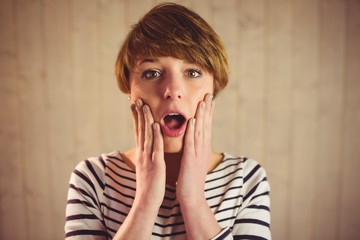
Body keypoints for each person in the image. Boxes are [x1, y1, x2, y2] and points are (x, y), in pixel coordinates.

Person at [64, 2, 271, 239]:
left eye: (193, 72)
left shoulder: (246, 179)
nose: (173, 90)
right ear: (129, 90)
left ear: (214, 87)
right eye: (152, 73)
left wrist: (192, 198)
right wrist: (145, 202)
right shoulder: (93, 178)